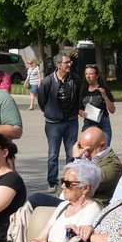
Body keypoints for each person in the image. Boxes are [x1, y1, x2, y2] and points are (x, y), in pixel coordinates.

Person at [37, 52, 82, 188]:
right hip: (53, 124)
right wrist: (51, 112)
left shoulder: (75, 79)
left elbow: (79, 97)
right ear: (58, 65)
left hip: (71, 122)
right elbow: (41, 101)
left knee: (71, 154)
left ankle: (70, 180)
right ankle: (52, 182)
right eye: (66, 62)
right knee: (53, 154)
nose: (69, 65)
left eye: (70, 62)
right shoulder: (47, 81)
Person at [80, 64, 116, 146]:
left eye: (91, 74)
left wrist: (105, 96)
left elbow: (112, 110)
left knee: (104, 149)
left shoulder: (103, 89)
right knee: (87, 148)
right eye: (86, 74)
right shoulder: (83, 90)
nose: (88, 76)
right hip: (89, 122)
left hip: (103, 121)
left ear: (97, 76)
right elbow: (80, 109)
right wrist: (82, 113)